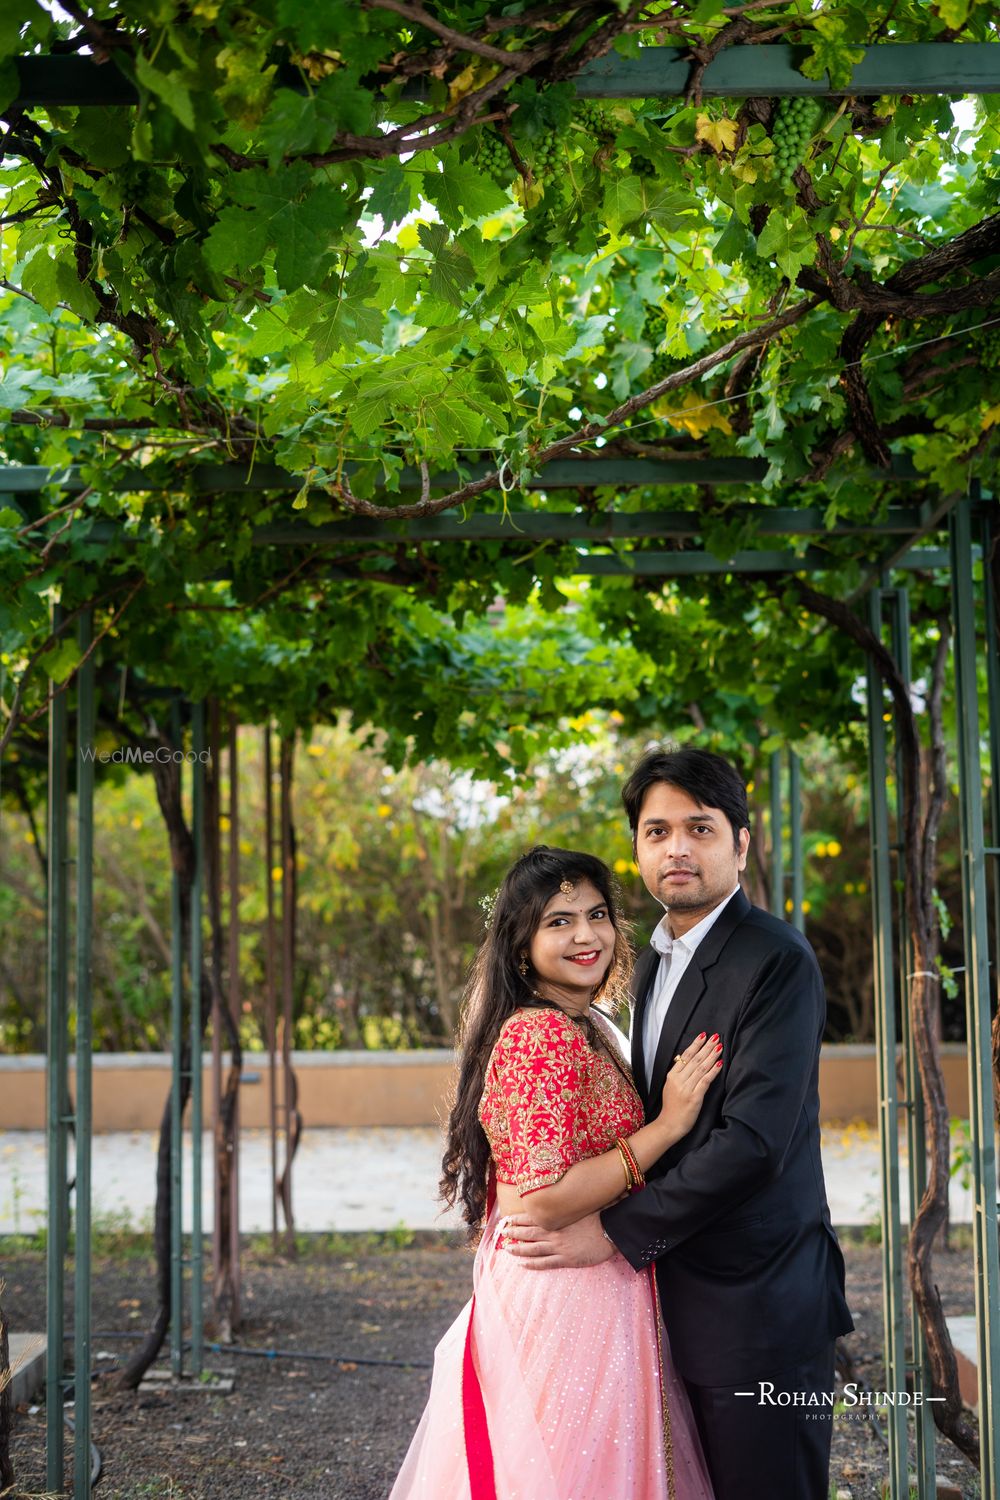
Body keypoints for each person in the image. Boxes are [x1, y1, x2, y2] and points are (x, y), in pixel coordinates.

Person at [505, 747, 854, 1500]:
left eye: (699, 828)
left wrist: (612, 1231)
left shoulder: (776, 961)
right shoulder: (655, 960)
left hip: (760, 1306)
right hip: (671, 1303)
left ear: (742, 842)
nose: (678, 849)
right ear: (637, 846)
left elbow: (753, 1145)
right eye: (658, 831)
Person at [389, 845, 718, 1500]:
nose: (586, 935)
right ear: (521, 945)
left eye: (596, 914)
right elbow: (537, 1202)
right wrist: (668, 1127)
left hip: (596, 1283)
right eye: (559, 921)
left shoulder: (585, 1021)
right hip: (565, 1296)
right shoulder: (541, 1035)